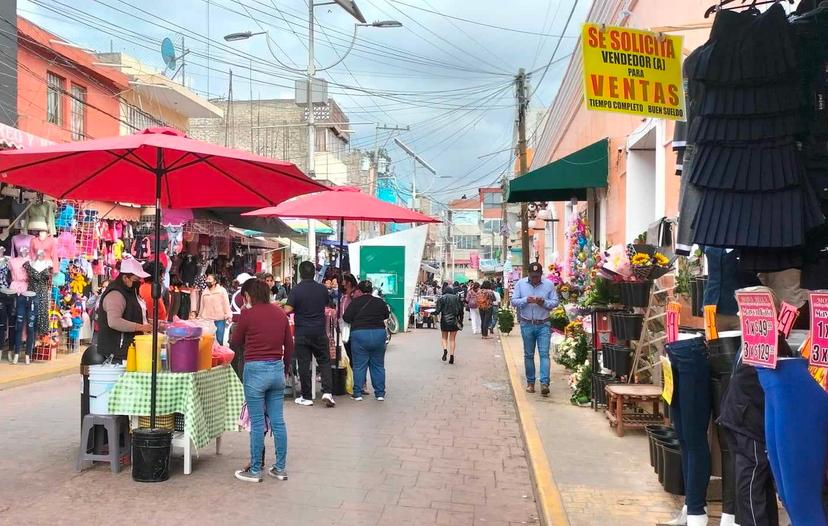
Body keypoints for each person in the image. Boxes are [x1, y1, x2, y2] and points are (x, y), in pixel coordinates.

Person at [231, 279, 292, 483]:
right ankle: (280, 468)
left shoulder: (248, 314)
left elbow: (235, 341)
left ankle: (256, 470)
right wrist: (285, 368)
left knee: (257, 422)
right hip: (277, 369)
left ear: (249, 295)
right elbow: (289, 345)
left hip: (255, 369)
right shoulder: (280, 313)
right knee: (278, 421)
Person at [284, 261, 336, 407]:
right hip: (319, 331)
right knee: (324, 361)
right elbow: (327, 305)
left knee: (303, 364)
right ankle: (327, 392)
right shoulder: (322, 289)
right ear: (314, 273)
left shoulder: (296, 290)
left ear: (300, 273)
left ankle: (306, 397)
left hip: (302, 332)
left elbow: (288, 309)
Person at [511, 262, 559, 397]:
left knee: (544, 354)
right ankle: (530, 383)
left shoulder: (549, 284)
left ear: (541, 275)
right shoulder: (520, 284)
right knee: (528, 355)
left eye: (537, 276)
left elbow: (555, 302)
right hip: (527, 324)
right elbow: (514, 301)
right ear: (528, 274)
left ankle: (544, 383)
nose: (535, 279)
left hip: (544, 324)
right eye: (533, 276)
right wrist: (526, 300)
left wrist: (543, 302)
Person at [96, 258, 152, 362]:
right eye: (136, 280)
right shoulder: (115, 294)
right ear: (125, 278)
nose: (139, 282)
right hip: (118, 353)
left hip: (130, 349)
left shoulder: (132, 292)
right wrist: (141, 327)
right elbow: (114, 322)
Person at [343, 280, 389, 401]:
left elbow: (346, 317)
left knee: (359, 365)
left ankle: (357, 393)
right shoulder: (379, 301)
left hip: (360, 334)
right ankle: (380, 393)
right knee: (378, 365)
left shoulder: (355, 302)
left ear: (359, 290)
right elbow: (386, 315)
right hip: (379, 334)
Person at [195, 273, 231, 345]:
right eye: (207, 279)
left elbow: (226, 304)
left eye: (209, 279)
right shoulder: (205, 292)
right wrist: (199, 317)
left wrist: (228, 315)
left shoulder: (222, 291)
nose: (207, 281)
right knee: (207, 342)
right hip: (207, 320)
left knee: (219, 340)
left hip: (219, 319)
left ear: (214, 282)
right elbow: (202, 306)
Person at [435, 284, 464, 364]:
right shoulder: (457, 298)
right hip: (454, 320)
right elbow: (461, 311)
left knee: (444, 337)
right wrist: (461, 320)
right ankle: (452, 355)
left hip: (444, 320)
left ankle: (445, 350)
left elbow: (437, 311)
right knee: (452, 339)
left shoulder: (441, 298)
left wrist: (432, 313)